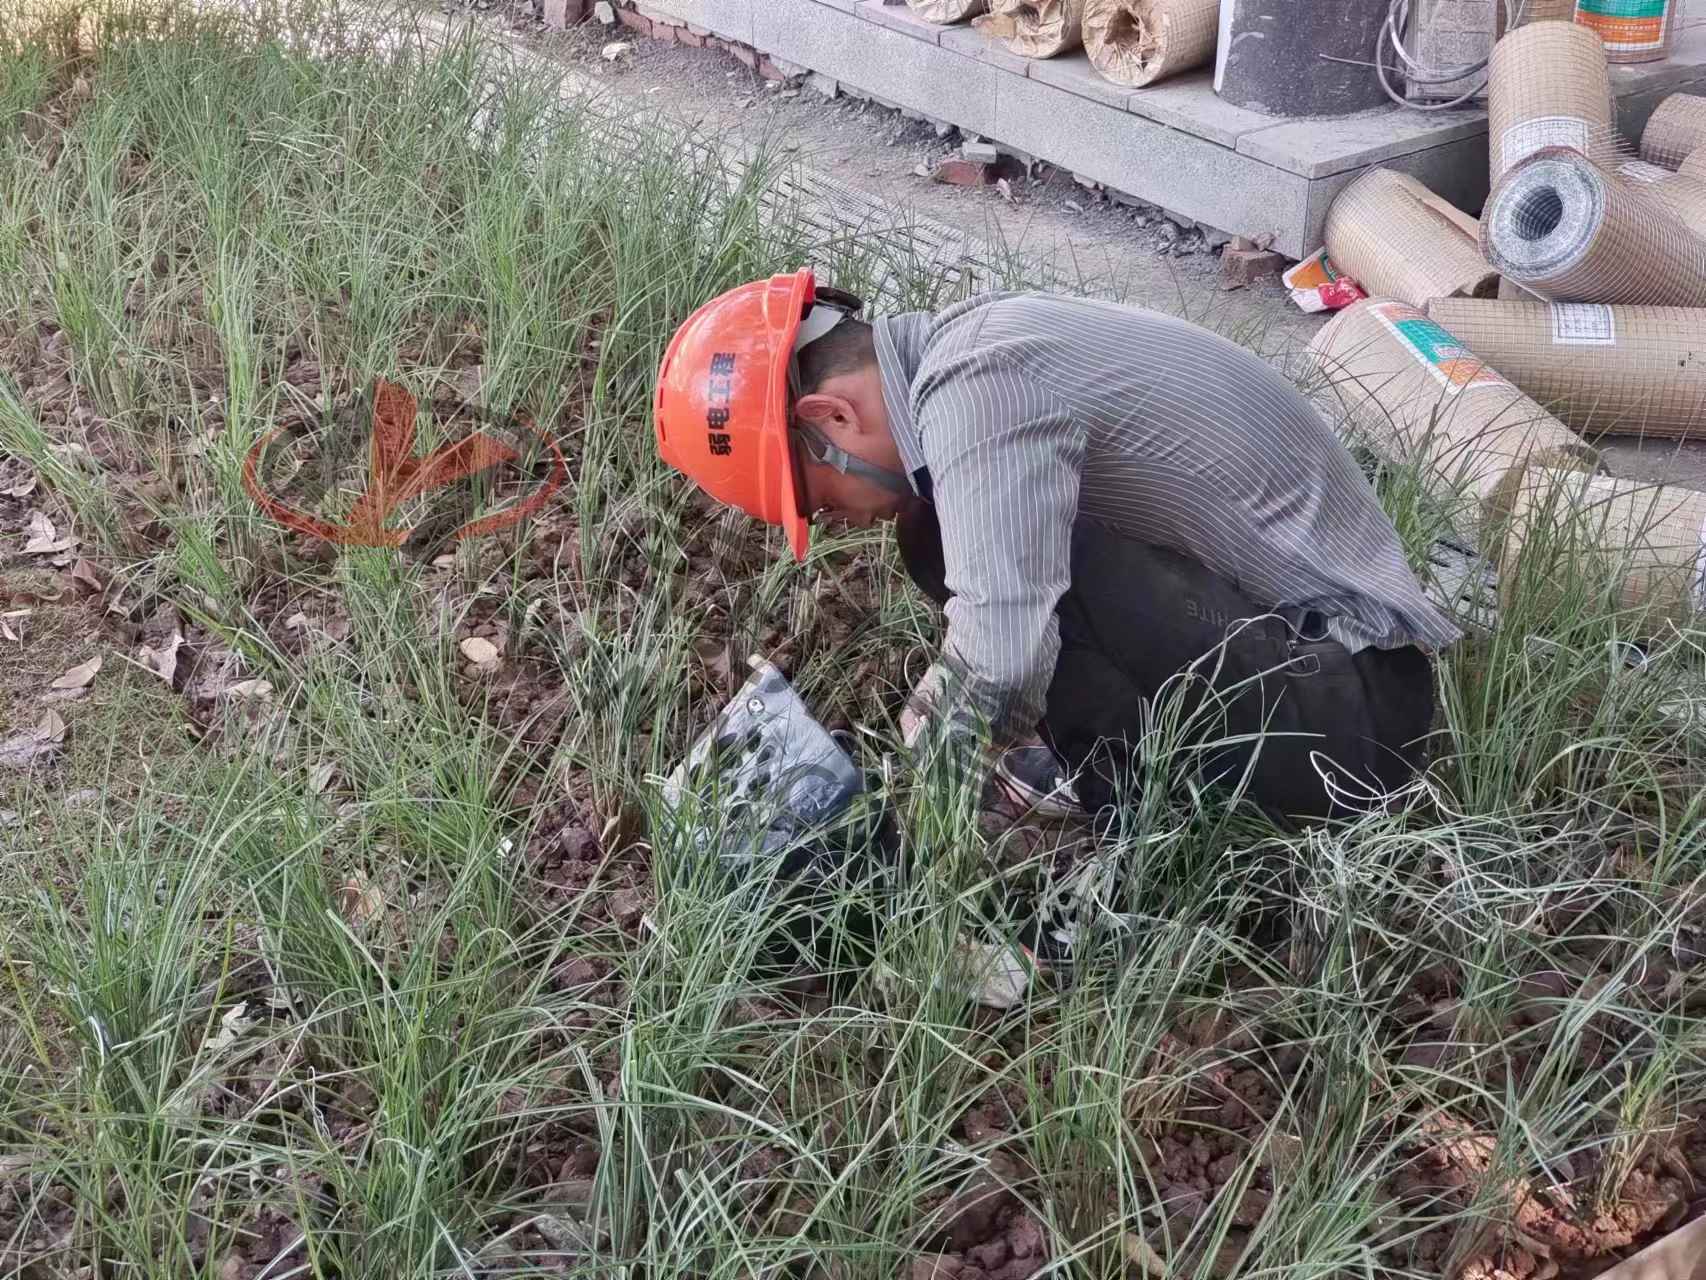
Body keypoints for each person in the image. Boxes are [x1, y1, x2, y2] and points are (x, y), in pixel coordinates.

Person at [653, 268, 1463, 828]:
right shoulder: (971, 347)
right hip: (1305, 664)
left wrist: (908, 805)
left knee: (984, 567)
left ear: (831, 418)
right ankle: (1121, 776)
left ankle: (1160, 838)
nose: (840, 522)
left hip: (1357, 718)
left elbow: (1001, 656)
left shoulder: (978, 391)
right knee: (945, 534)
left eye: (822, 502)